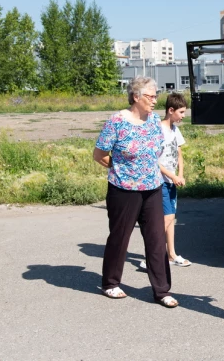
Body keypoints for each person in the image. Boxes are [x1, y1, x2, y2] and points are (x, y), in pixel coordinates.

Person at [93, 76, 178, 308]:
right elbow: (99, 155)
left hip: (152, 188)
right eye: (151, 96)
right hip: (124, 189)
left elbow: (154, 155)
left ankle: (162, 291)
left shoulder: (153, 122)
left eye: (156, 95)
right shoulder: (117, 121)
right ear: (136, 96)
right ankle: (110, 283)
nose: (155, 100)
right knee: (120, 238)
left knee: (157, 240)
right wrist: (119, 168)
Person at [139, 92, 191, 269]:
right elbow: (154, 160)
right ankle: (150, 257)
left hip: (172, 181)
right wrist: (172, 176)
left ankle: (171, 254)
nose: (183, 116)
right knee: (166, 218)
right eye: (181, 112)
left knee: (171, 219)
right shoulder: (158, 130)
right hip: (160, 181)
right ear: (171, 110)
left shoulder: (175, 130)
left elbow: (179, 154)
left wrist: (180, 174)